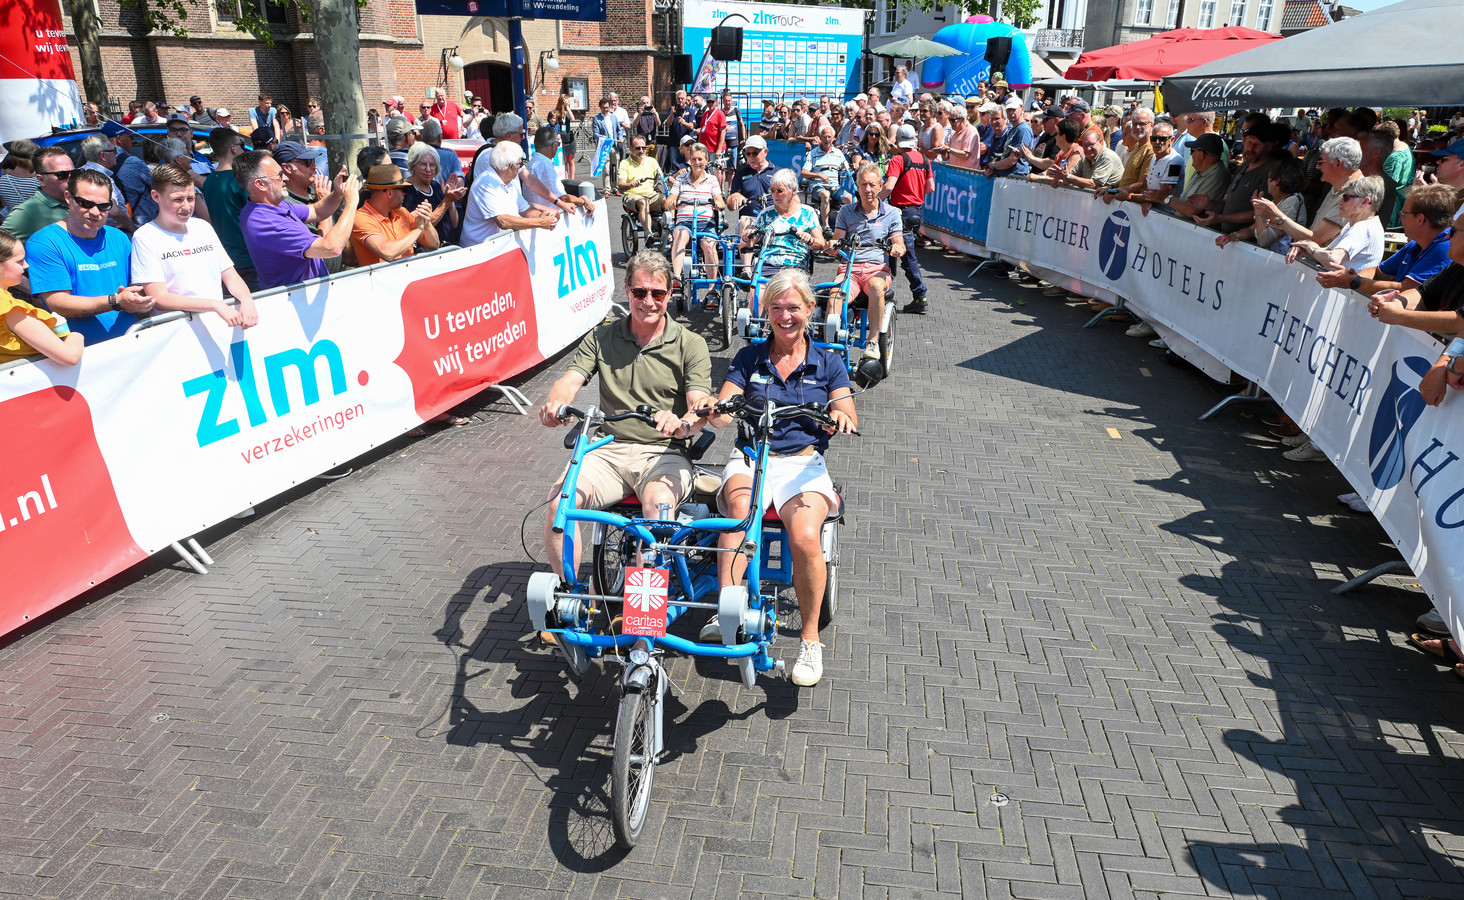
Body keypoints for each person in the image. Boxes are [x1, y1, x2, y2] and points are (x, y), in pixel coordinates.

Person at [702, 268, 856, 686]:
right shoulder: (749, 357)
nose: (785, 316)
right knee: (737, 514)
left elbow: (846, 410)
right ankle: (728, 609)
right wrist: (720, 410)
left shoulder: (829, 362)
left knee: (805, 536)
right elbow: (727, 401)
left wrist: (838, 416)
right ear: (765, 311)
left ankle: (809, 640)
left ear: (810, 309)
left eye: (793, 307)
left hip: (803, 464)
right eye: (776, 308)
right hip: (751, 455)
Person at [537, 250, 713, 581]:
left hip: (665, 453)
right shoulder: (603, 336)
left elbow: (699, 402)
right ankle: (569, 598)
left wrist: (683, 423)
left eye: (658, 293)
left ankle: (643, 618)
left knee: (658, 507)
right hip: (608, 448)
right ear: (627, 291)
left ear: (670, 293)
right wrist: (555, 404)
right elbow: (570, 380)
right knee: (560, 503)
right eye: (640, 292)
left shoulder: (690, 344)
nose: (648, 301)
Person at [27, 169, 150, 344]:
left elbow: (137, 286)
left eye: (103, 206)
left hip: (131, 342)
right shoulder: (44, 243)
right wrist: (115, 301)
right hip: (79, 353)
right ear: (68, 197)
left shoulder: (118, 237)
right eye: (85, 203)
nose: (94, 212)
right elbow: (57, 302)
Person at [130, 163, 258, 328]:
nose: (186, 206)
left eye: (190, 198)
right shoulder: (145, 237)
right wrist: (215, 305)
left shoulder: (203, 227)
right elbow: (159, 297)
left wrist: (247, 299)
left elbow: (230, 274)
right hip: (177, 330)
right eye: (177, 199)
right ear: (156, 197)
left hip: (217, 323)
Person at [236, 150, 361, 290]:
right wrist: (351, 203)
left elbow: (317, 211)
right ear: (260, 184)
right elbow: (332, 247)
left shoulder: (275, 204)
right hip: (297, 302)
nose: (286, 179)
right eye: (279, 175)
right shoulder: (265, 222)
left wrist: (337, 192)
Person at [1315, 183, 1455, 296]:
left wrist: (1354, 281)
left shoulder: (1445, 248)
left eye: (1403, 213)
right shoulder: (1414, 245)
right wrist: (1353, 277)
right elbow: (1378, 272)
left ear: (1420, 219)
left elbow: (1406, 289)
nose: (1400, 218)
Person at [831, 163, 905, 355]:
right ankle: (830, 344)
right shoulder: (846, 212)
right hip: (850, 270)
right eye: (863, 185)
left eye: (872, 185)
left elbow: (899, 243)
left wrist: (896, 248)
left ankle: (872, 341)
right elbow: (836, 240)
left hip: (877, 269)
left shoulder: (892, 213)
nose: (868, 190)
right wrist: (832, 245)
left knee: (876, 286)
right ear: (857, 186)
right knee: (835, 294)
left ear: (881, 186)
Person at [0, 230, 82, 366]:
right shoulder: (11, 309)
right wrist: (77, 336)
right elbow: (70, 356)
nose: (26, 265)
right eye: (19, 261)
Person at [460, 141, 560, 247]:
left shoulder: (508, 183)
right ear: (511, 167)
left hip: (495, 249)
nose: (521, 167)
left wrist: (542, 215)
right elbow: (503, 221)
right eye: (520, 164)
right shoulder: (486, 183)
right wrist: (540, 222)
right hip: (478, 252)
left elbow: (525, 210)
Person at [666, 142, 725, 308]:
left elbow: (720, 201)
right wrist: (671, 201)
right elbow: (672, 198)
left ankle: (713, 289)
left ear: (706, 160)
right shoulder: (681, 179)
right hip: (685, 221)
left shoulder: (712, 180)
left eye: (700, 159)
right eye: (693, 159)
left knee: (708, 245)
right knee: (679, 235)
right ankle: (677, 278)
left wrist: (718, 204)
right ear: (689, 160)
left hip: (706, 223)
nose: (697, 162)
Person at [1286, 175, 1385, 271]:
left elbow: (1333, 259)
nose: (1340, 202)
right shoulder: (1358, 225)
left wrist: (1311, 247)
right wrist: (1306, 246)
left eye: (1346, 198)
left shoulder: (1362, 228)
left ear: (1364, 202)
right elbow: (1328, 252)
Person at [882, 125, 933, 314]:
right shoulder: (925, 159)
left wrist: (876, 201)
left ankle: (919, 296)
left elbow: (889, 186)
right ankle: (896, 292)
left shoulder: (898, 159)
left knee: (900, 253)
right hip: (917, 211)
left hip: (899, 211)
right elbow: (930, 188)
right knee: (899, 252)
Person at [742, 168, 823, 283]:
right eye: (772, 190)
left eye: (780, 191)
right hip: (768, 265)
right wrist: (746, 236)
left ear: (794, 191)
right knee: (756, 295)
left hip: (795, 266)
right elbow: (749, 243)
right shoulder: (766, 214)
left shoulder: (808, 213)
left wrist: (810, 240)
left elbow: (821, 244)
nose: (775, 195)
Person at [350, 164, 440, 266]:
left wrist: (426, 222)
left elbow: (434, 244)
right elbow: (388, 253)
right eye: (403, 190)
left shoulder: (402, 212)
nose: (404, 194)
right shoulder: (361, 218)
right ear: (389, 193)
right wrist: (418, 229)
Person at [201, 127, 257, 288]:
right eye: (241, 144)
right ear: (233, 148)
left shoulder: (209, 180)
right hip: (248, 256)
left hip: (226, 258)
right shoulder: (239, 180)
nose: (243, 148)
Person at [1218, 156, 1307, 255]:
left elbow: (1264, 241)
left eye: (1269, 177)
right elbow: (1252, 230)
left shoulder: (1291, 202)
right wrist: (1231, 237)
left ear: (1276, 181)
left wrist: (1258, 212)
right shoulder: (1277, 201)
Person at [3, 146, 74, 243]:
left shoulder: (82, 201)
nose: (70, 179)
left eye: (74, 173)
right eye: (62, 175)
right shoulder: (25, 213)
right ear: (41, 179)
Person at [404, 141, 465, 246]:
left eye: (432, 165)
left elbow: (454, 223)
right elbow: (420, 227)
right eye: (423, 164)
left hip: (447, 247)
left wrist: (450, 200)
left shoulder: (435, 186)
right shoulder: (407, 191)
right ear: (413, 165)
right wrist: (446, 201)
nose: (428, 169)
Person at [1163, 132, 1231, 220]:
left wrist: (1165, 198)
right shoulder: (1200, 170)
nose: (1191, 154)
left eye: (1192, 150)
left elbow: (1192, 211)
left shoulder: (1218, 176)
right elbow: (1187, 202)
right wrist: (1172, 196)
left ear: (1202, 154)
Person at [802, 126, 852, 231]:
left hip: (834, 186)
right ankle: (826, 226)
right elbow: (804, 172)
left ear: (833, 138)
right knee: (825, 194)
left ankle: (844, 224)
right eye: (824, 137)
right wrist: (819, 175)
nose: (827, 140)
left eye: (829, 137)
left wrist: (853, 168)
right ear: (820, 138)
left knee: (850, 199)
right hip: (818, 186)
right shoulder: (813, 153)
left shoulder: (838, 154)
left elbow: (847, 169)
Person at [617, 134, 665, 236]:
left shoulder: (652, 161)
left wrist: (668, 180)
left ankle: (668, 232)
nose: (642, 150)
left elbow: (662, 176)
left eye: (644, 147)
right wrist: (630, 185)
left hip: (651, 194)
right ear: (630, 148)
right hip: (633, 195)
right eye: (638, 148)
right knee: (644, 202)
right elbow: (620, 185)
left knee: (669, 201)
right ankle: (648, 234)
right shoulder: (625, 163)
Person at [1057, 127, 1123, 191]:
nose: (1088, 148)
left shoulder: (1107, 156)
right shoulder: (1085, 158)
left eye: (1091, 144)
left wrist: (1068, 177)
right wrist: (1060, 179)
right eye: (1085, 145)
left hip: (1111, 200)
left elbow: (1094, 185)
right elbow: (1071, 175)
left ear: (1101, 142)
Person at [592, 98, 625, 195]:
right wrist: (603, 137)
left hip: (614, 146)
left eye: (607, 107)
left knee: (616, 168)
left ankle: (616, 188)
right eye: (604, 108)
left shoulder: (613, 117)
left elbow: (619, 130)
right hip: (604, 147)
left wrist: (620, 137)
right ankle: (607, 189)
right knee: (606, 168)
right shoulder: (597, 119)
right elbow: (595, 134)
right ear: (600, 107)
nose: (606, 109)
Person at [418, 117, 464, 187]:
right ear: (440, 137)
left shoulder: (415, 156)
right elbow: (460, 185)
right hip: (447, 196)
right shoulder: (451, 156)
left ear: (420, 139)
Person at [549, 95, 577, 180]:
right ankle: (565, 180)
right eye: (567, 100)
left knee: (571, 161)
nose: (569, 101)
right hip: (561, 138)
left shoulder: (567, 112)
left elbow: (573, 119)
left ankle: (572, 180)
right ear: (563, 101)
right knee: (564, 162)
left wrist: (568, 108)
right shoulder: (556, 113)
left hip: (570, 138)